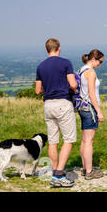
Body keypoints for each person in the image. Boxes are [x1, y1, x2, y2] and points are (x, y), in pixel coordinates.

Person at [35, 38, 77, 188]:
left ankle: (55, 172)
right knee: (69, 139)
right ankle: (59, 174)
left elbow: (38, 90)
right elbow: (72, 84)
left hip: (48, 105)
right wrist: (75, 88)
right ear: (58, 48)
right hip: (63, 103)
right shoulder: (65, 63)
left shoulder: (40, 66)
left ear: (47, 49)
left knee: (53, 141)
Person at [78, 49, 105, 180]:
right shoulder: (91, 72)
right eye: (100, 61)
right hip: (90, 109)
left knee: (84, 140)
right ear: (94, 59)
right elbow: (92, 94)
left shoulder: (81, 70)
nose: (100, 64)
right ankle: (89, 171)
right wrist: (99, 111)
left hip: (82, 107)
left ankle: (85, 167)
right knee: (89, 140)